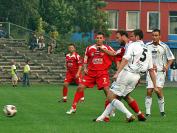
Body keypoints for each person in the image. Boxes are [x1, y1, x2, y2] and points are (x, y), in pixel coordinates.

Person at [94, 29, 158, 122]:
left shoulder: (132, 45)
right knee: (119, 97)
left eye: (132, 36)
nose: (130, 38)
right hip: (136, 77)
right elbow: (151, 70)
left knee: (110, 97)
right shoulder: (147, 50)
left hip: (127, 73)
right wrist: (155, 86)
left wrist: (117, 73)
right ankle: (102, 118)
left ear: (137, 37)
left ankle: (129, 115)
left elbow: (125, 59)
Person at [66, 32, 115, 115]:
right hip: (91, 73)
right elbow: (85, 59)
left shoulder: (107, 47)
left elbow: (114, 54)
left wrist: (104, 50)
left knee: (107, 90)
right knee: (80, 87)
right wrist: (85, 68)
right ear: (95, 39)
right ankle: (73, 107)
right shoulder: (89, 48)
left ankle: (111, 109)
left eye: (100, 38)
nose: (99, 39)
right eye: (97, 38)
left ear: (103, 39)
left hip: (102, 72)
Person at [145, 29, 175, 117]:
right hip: (150, 71)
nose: (154, 37)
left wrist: (166, 66)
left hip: (160, 72)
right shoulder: (147, 46)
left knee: (158, 91)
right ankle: (148, 113)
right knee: (149, 91)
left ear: (160, 36)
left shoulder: (164, 46)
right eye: (153, 35)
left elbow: (171, 58)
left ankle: (162, 111)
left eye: (156, 35)